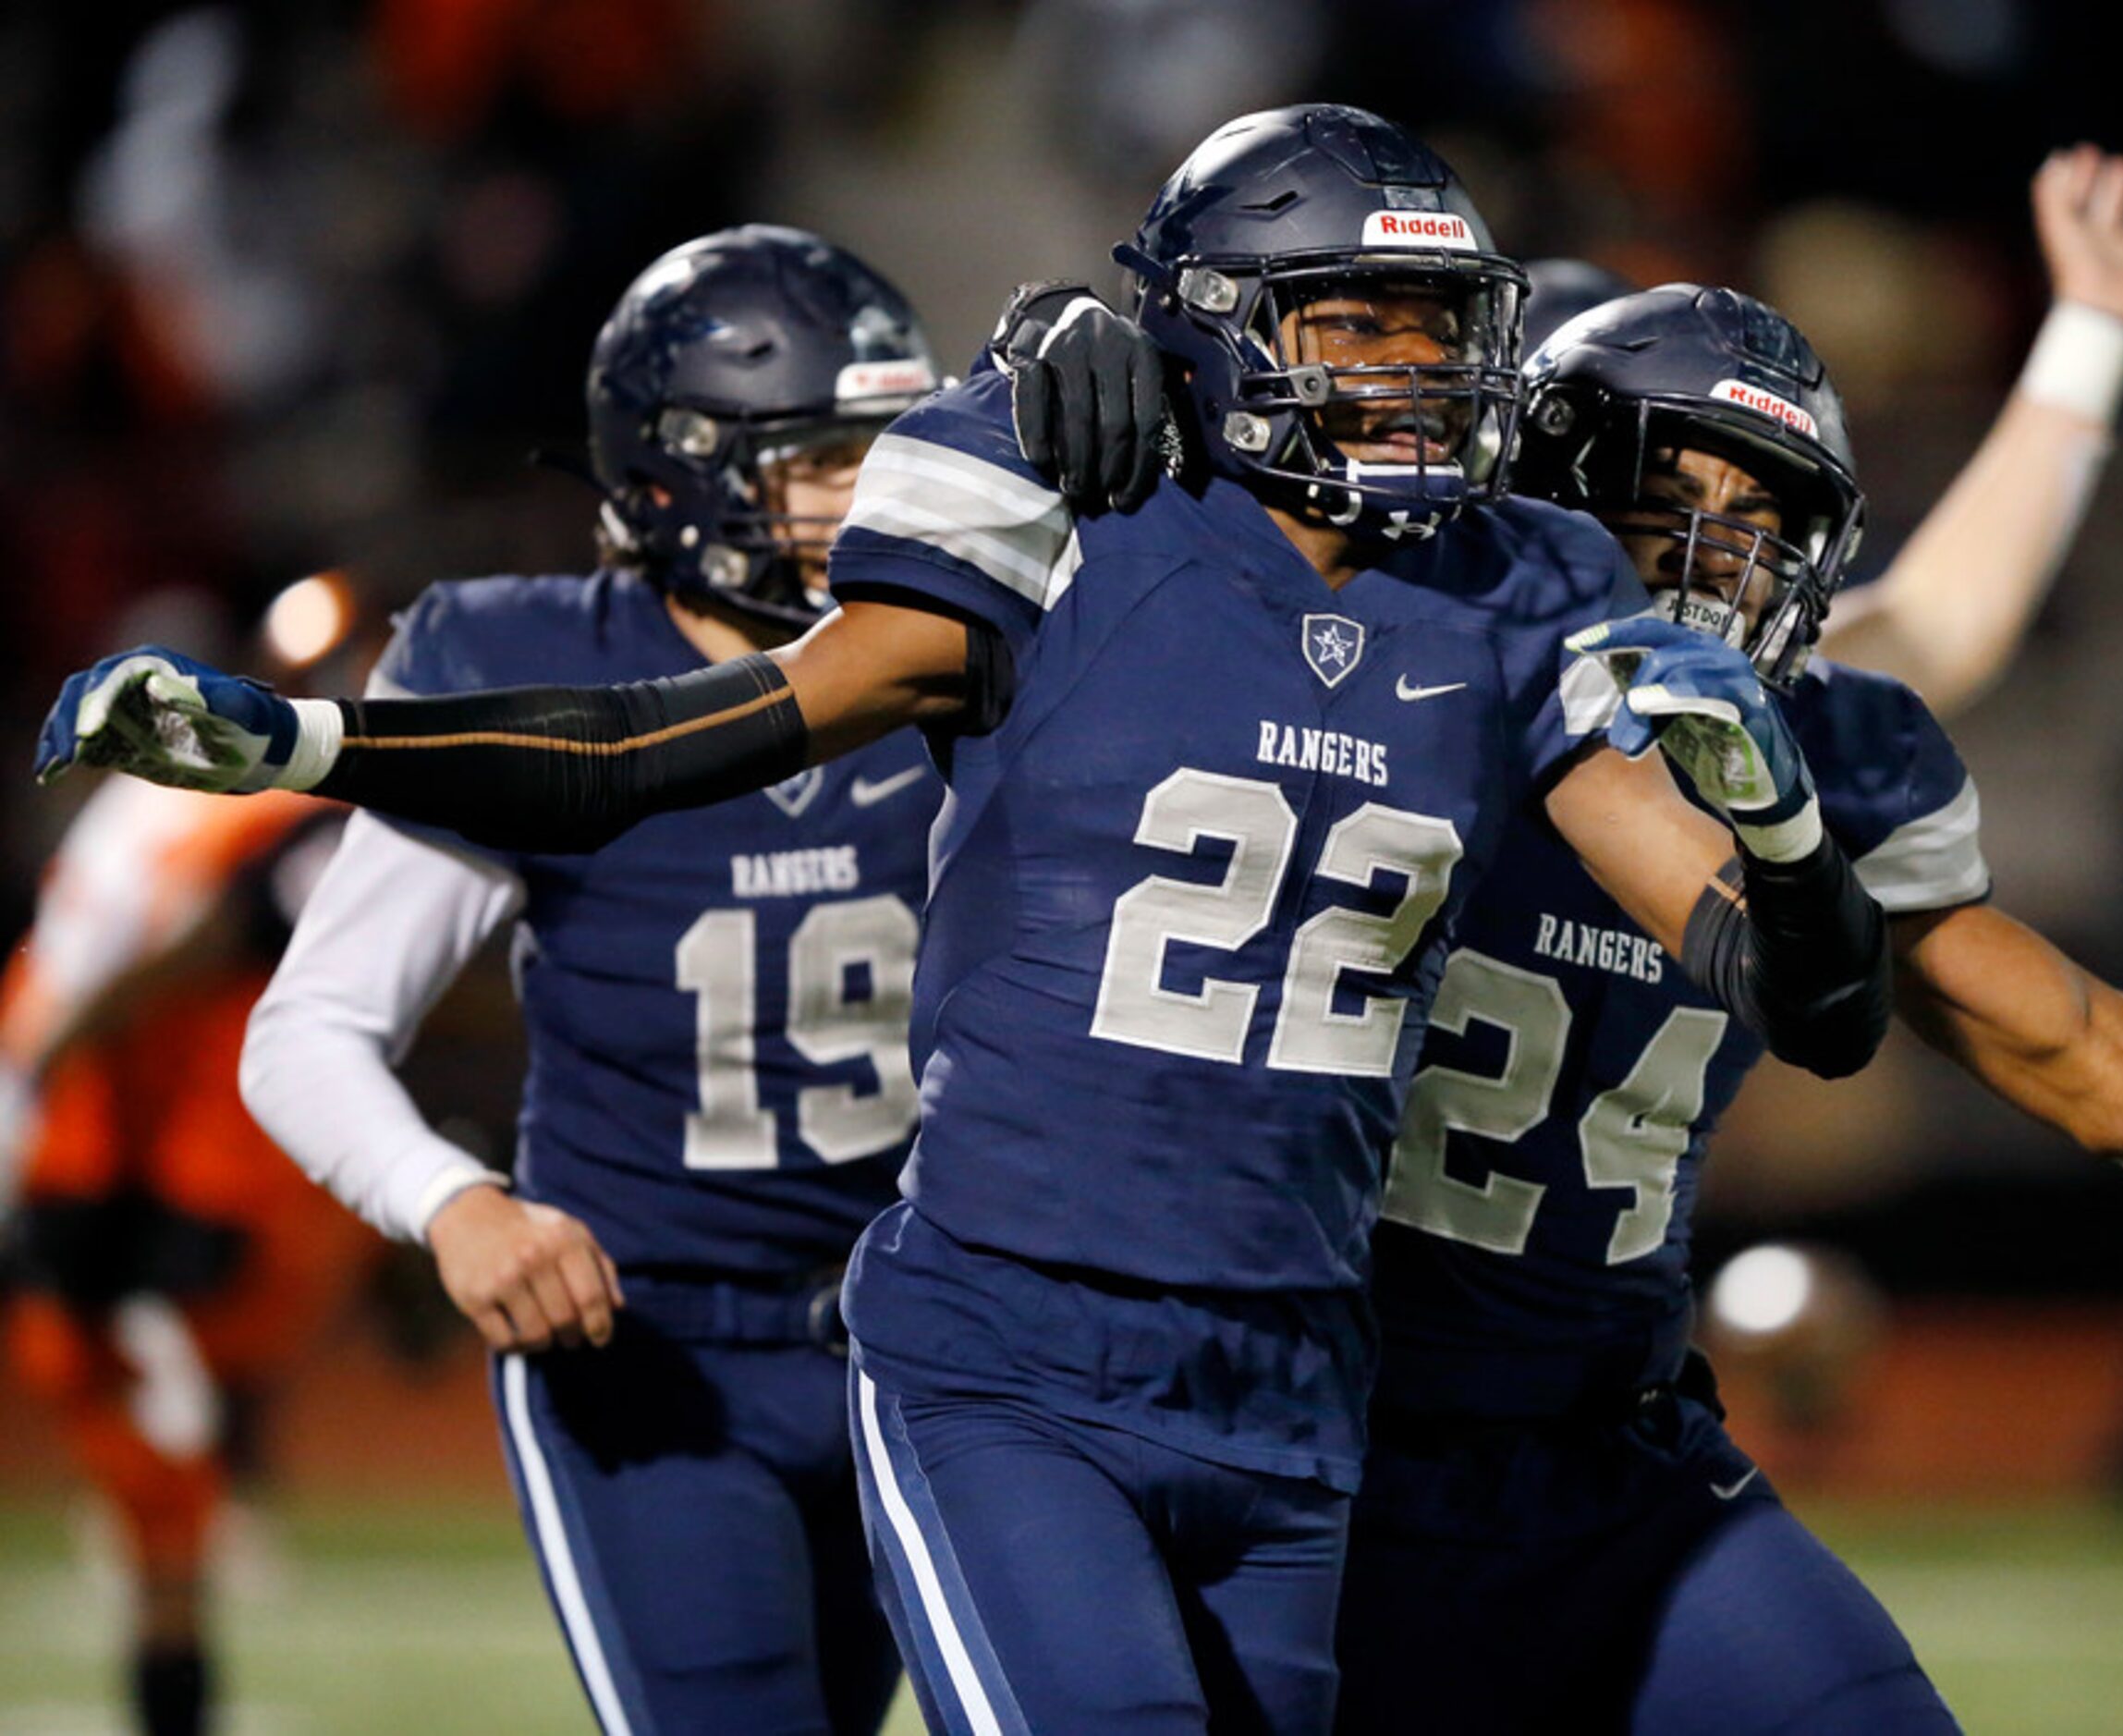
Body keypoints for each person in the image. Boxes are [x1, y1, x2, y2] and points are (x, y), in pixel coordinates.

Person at [37, 105, 1890, 1735]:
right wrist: (319, 741)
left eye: (1436, 332)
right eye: (1356, 326)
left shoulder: (1517, 587)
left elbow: (1791, 991)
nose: (1412, 376)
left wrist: (1795, 835)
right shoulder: (1062, 522)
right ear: (1229, 341)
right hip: (1006, 1348)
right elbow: (652, 749)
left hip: (1297, 1365)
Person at [1335, 283, 2123, 1735]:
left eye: (1760, 515)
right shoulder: (1387, 675)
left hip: (1601, 1449)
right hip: (1323, 1439)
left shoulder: (1814, 742)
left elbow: (2092, 1056)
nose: (1714, 552)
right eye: (1668, 493)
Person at [235, 225, 946, 1736]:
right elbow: (312, 1025)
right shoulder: (529, 667)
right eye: (819, 458)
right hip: (652, 1340)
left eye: (884, 451)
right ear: (680, 473)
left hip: (931, 1342)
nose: (865, 499)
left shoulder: (969, 660)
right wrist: (454, 1197)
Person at [1526, 143, 2123, 715]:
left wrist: (2092, 332)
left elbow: (1930, 630)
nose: (1706, 546)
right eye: (1662, 491)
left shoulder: (1713, 695)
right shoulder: (1436, 653)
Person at [1, 770, 367, 1736]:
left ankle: (200, 1499)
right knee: (153, 1473)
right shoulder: (190, 824)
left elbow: (208, 936)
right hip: (124, 1170)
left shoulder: (181, 824)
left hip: (136, 1169)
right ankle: (197, 1501)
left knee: (164, 1482)